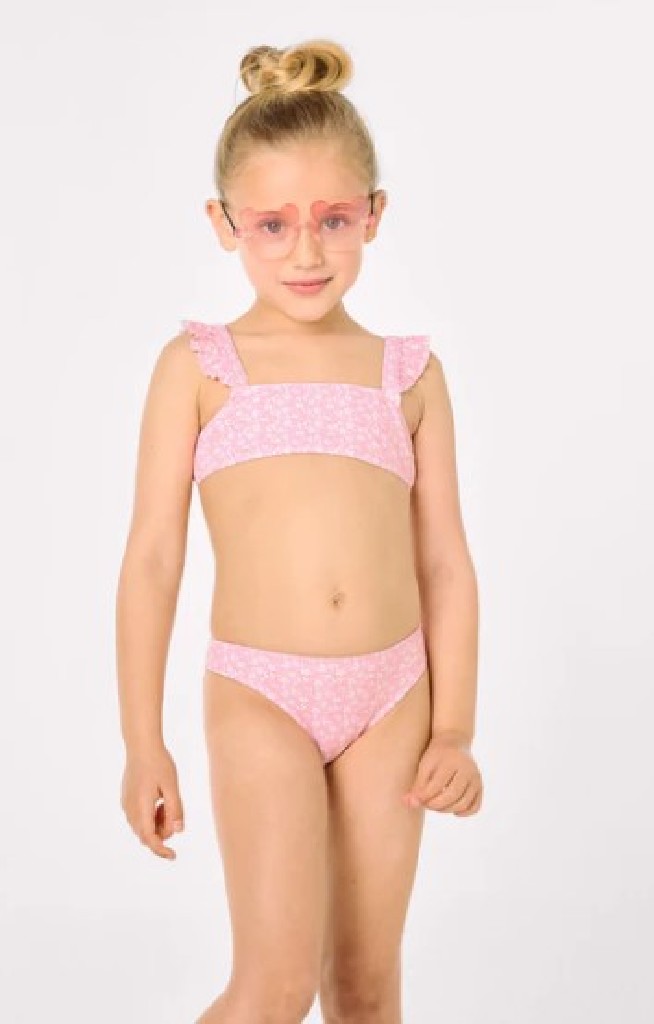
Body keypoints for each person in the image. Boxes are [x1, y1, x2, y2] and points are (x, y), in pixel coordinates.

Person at [115, 37, 483, 1024]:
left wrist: (454, 726)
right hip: (260, 692)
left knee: (364, 988)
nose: (307, 252)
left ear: (375, 214)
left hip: (393, 696)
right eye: (273, 225)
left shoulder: (409, 374)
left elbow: (445, 561)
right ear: (224, 224)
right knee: (274, 989)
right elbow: (153, 559)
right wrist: (143, 742)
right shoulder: (200, 367)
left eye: (334, 220)